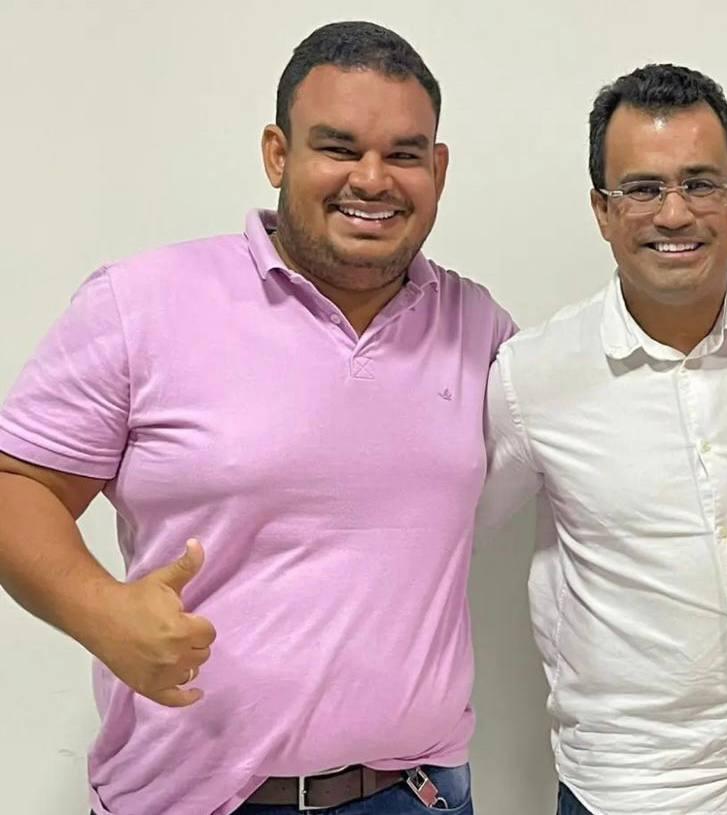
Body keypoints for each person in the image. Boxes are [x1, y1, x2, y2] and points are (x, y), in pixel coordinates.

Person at [0, 21, 515, 815]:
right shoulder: (141, 304)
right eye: (338, 148)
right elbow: (19, 482)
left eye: (404, 154)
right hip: (190, 799)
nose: (372, 179)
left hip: (418, 794)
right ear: (278, 154)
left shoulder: (477, 326)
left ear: (437, 170)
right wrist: (100, 610)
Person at [479, 64, 727, 815]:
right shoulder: (532, 376)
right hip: (629, 793)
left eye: (701, 183)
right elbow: (437, 537)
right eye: (643, 188)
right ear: (602, 209)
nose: (675, 213)